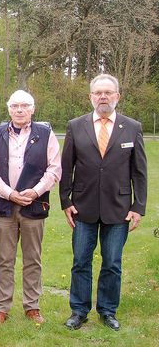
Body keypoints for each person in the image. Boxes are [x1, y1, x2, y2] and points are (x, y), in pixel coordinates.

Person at [60, 74, 147, 331]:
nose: (103, 97)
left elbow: (139, 172)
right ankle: (79, 310)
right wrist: (66, 201)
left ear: (117, 96)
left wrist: (138, 206)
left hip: (119, 209)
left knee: (112, 263)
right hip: (83, 207)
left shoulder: (132, 127)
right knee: (80, 262)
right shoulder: (76, 126)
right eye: (98, 93)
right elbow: (66, 168)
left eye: (108, 92)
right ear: (91, 97)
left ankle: (108, 311)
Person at [0, 90, 61, 325]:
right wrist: (10, 194)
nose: (19, 110)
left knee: (32, 258)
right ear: (9, 109)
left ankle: (32, 306)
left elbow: (55, 168)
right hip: (4, 207)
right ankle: (1, 307)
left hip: (33, 206)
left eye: (24, 106)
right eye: (15, 106)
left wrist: (36, 191)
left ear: (32, 109)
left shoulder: (46, 134)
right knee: (5, 258)